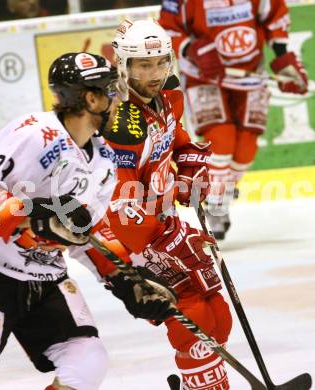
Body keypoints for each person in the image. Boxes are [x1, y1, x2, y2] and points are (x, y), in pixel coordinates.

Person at [0, 51, 176, 390]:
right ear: (91, 98)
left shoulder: (104, 160)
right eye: (111, 92)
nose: (117, 101)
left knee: (88, 361)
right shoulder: (32, 133)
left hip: (44, 277)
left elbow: (88, 235)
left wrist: (126, 278)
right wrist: (30, 214)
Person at [82, 20, 232, 390]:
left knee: (217, 313)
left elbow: (178, 141)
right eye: (143, 65)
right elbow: (121, 202)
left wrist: (192, 169)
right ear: (124, 67)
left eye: (160, 62)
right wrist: (161, 242)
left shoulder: (168, 96)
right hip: (128, 231)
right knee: (190, 314)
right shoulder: (123, 123)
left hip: (161, 220)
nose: (154, 73)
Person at [159, 0, 309, 239]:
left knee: (246, 147)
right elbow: (168, 28)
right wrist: (190, 48)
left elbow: (274, 15)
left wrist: (284, 59)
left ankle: (222, 194)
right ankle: (216, 204)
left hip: (251, 74)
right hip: (204, 74)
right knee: (221, 138)